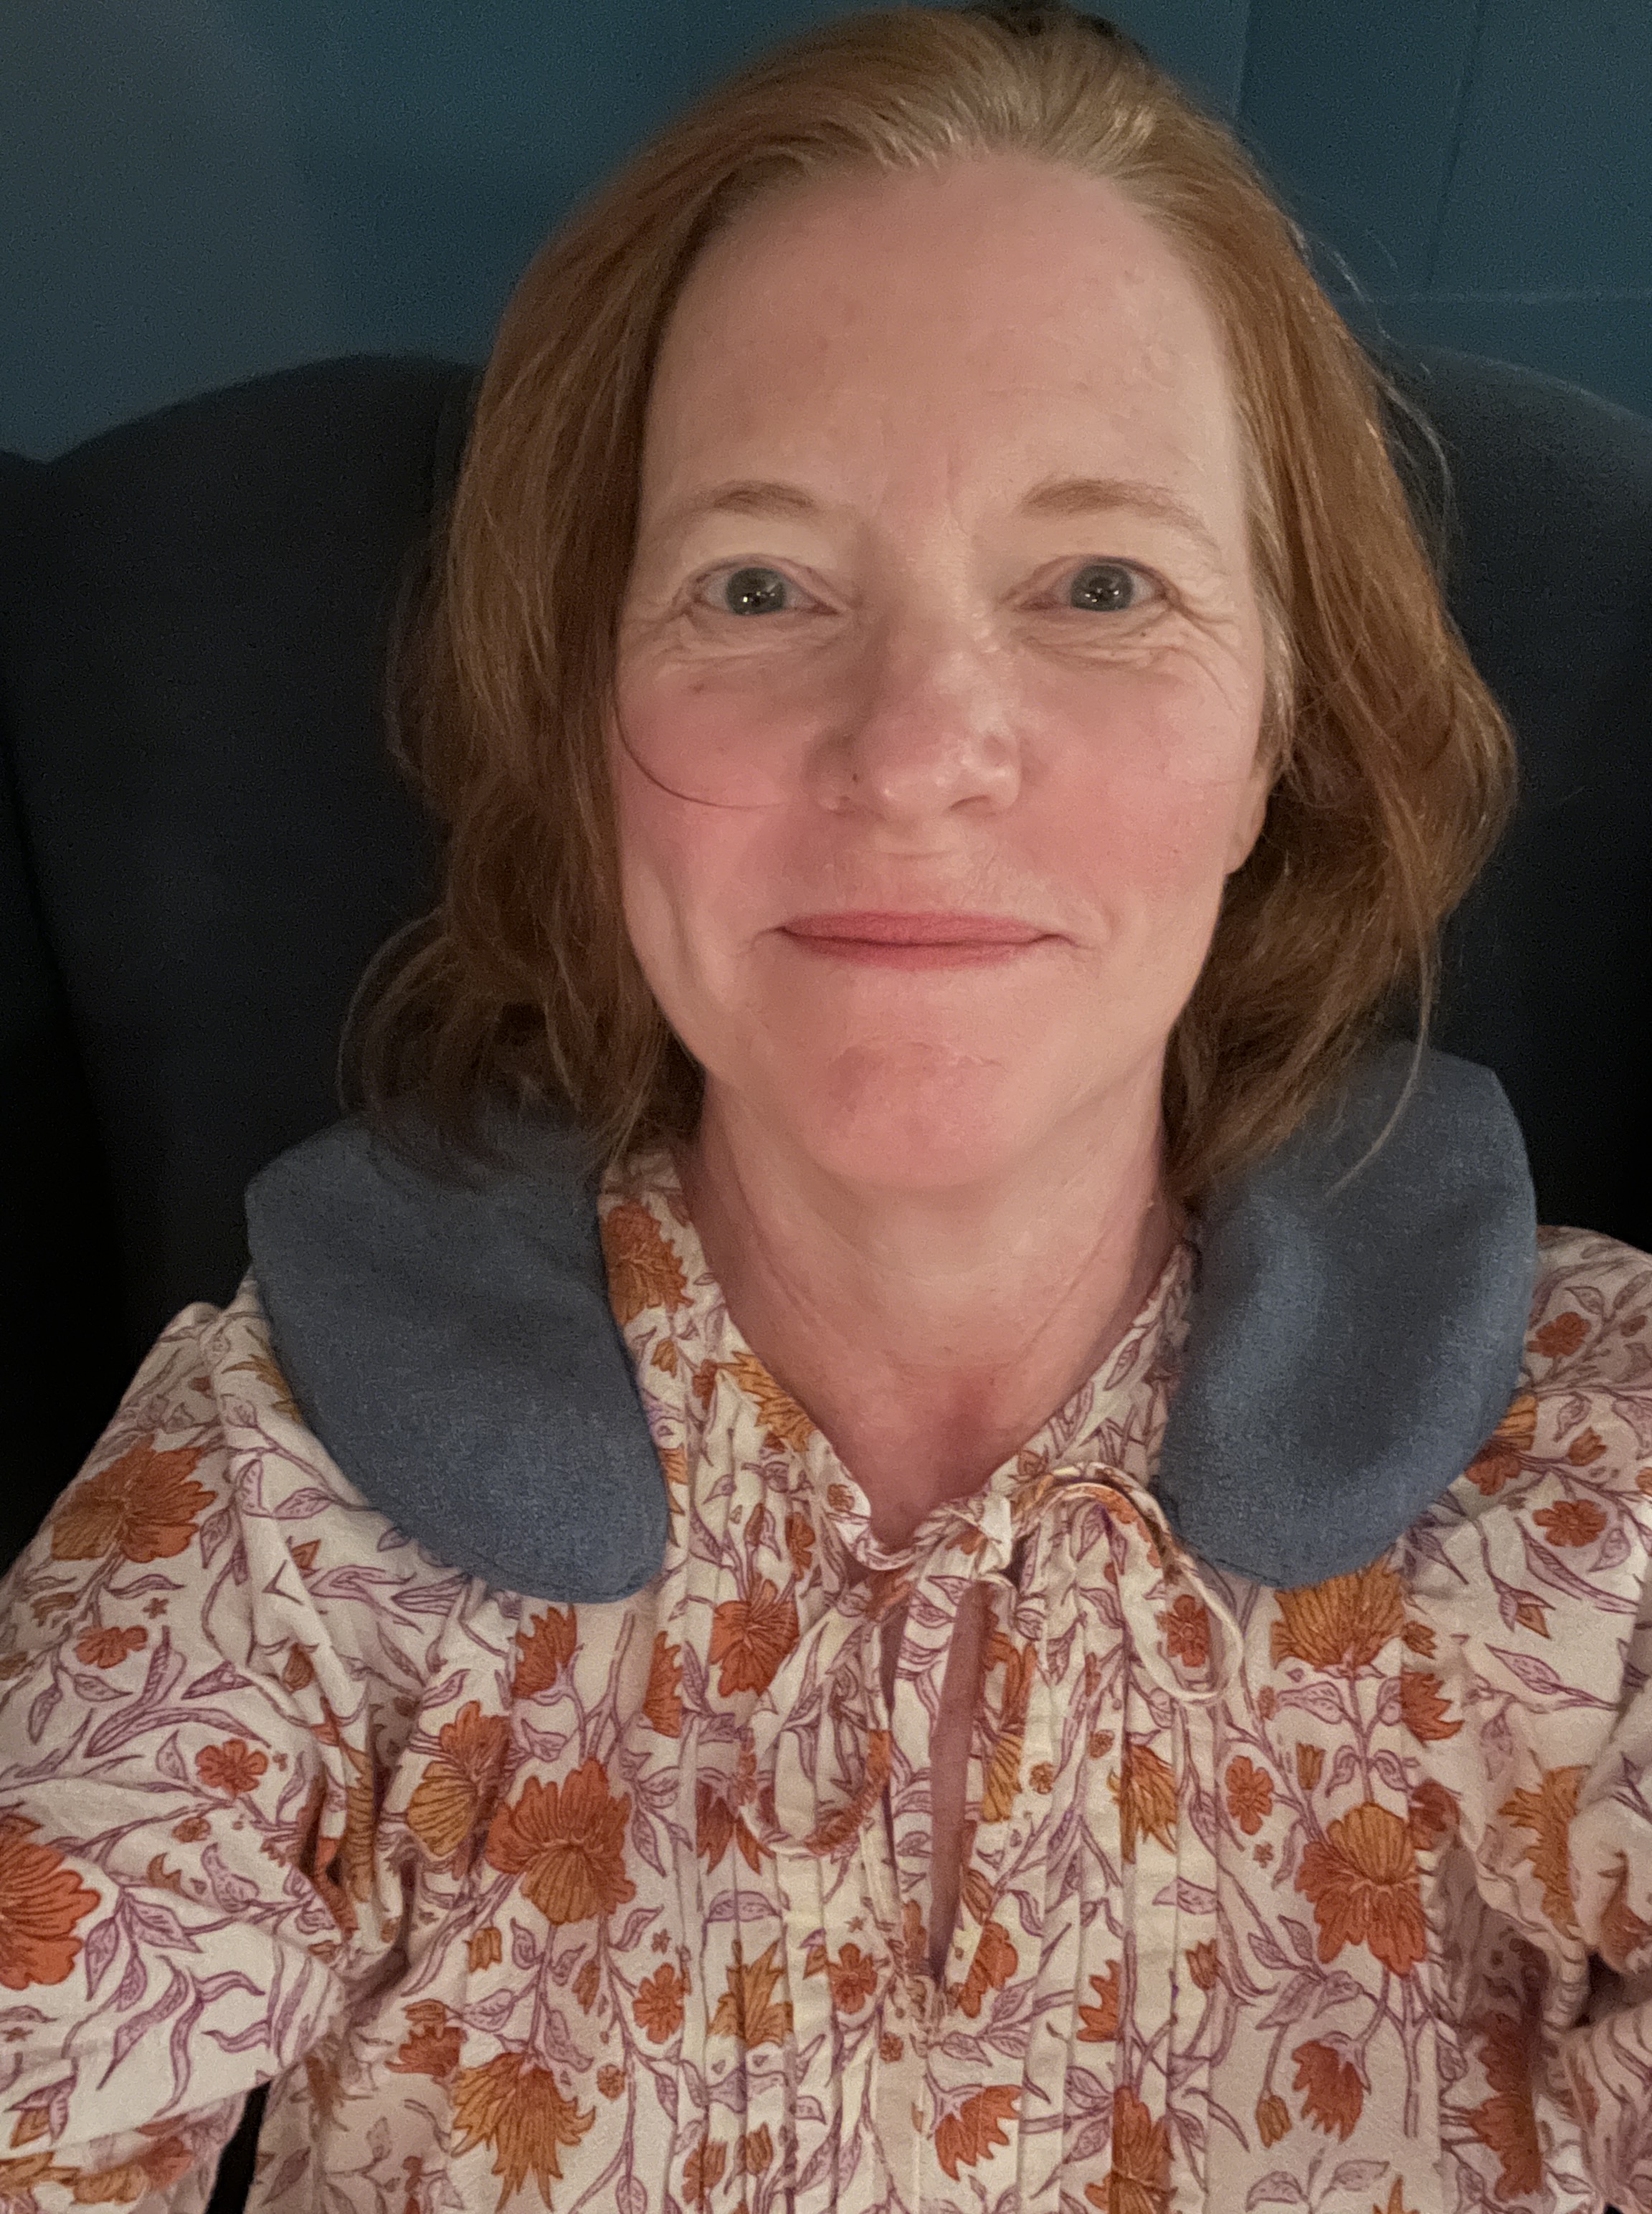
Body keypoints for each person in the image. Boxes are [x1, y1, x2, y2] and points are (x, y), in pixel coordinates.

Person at [1, 6, 1647, 2210]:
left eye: (1102, 585)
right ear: (590, 715)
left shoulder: (1608, 1479)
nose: (917, 749)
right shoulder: (273, 1496)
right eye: (758, 585)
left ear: (1280, 727)